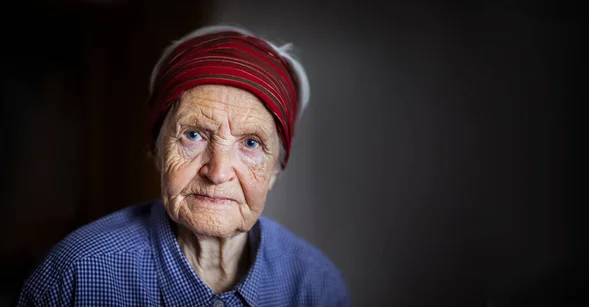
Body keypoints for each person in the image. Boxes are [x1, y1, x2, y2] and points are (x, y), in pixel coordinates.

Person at [17, 25, 350, 306]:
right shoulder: (75, 274)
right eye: (193, 135)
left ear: (276, 169)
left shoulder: (315, 285)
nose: (217, 172)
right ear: (156, 150)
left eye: (251, 143)